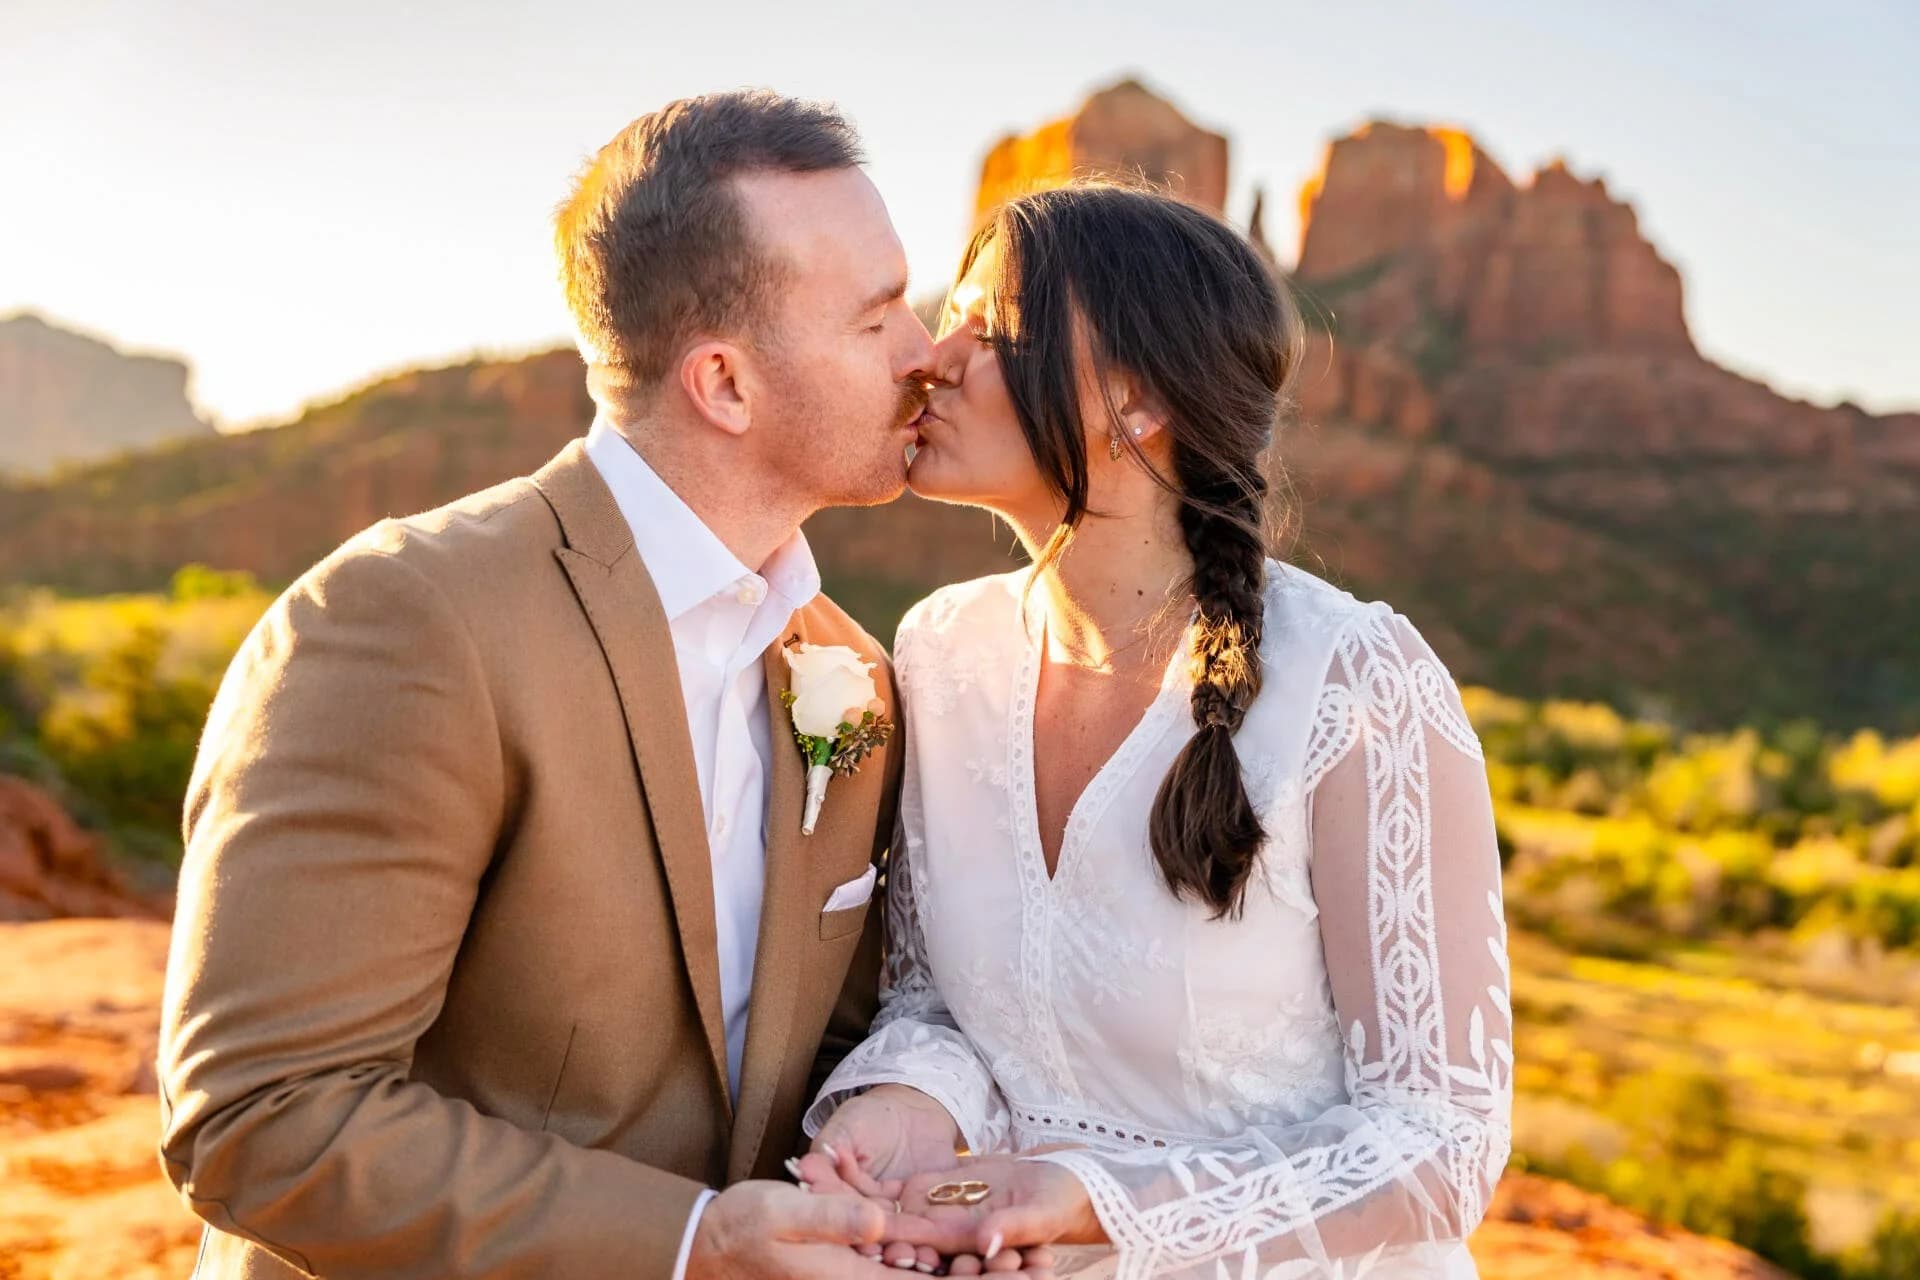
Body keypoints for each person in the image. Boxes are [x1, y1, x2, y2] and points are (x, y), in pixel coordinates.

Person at [156, 89, 1054, 1280]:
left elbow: (827, 1049)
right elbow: (262, 1115)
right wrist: (688, 1244)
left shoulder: (855, 676)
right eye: (877, 315)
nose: (929, 351)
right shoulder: (405, 621)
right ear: (725, 384)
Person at [802, 183, 1513, 1279]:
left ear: (1131, 404)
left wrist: (1097, 1204)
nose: (930, 356)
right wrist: (905, 1110)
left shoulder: (1355, 684)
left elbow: (1440, 1139)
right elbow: (938, 1003)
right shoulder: (941, 654)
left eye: (989, 330)